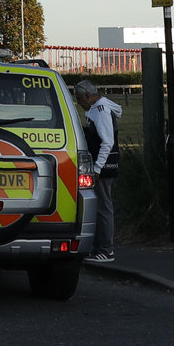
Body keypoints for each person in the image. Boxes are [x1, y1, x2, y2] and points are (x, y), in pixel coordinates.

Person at [73, 80, 121, 262]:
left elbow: (107, 141)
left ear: (87, 95)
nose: (79, 103)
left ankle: (106, 249)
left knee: (103, 207)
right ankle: (100, 247)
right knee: (101, 206)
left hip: (104, 165)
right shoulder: (97, 108)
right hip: (104, 163)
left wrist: (98, 166)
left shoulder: (100, 111)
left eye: (79, 99)